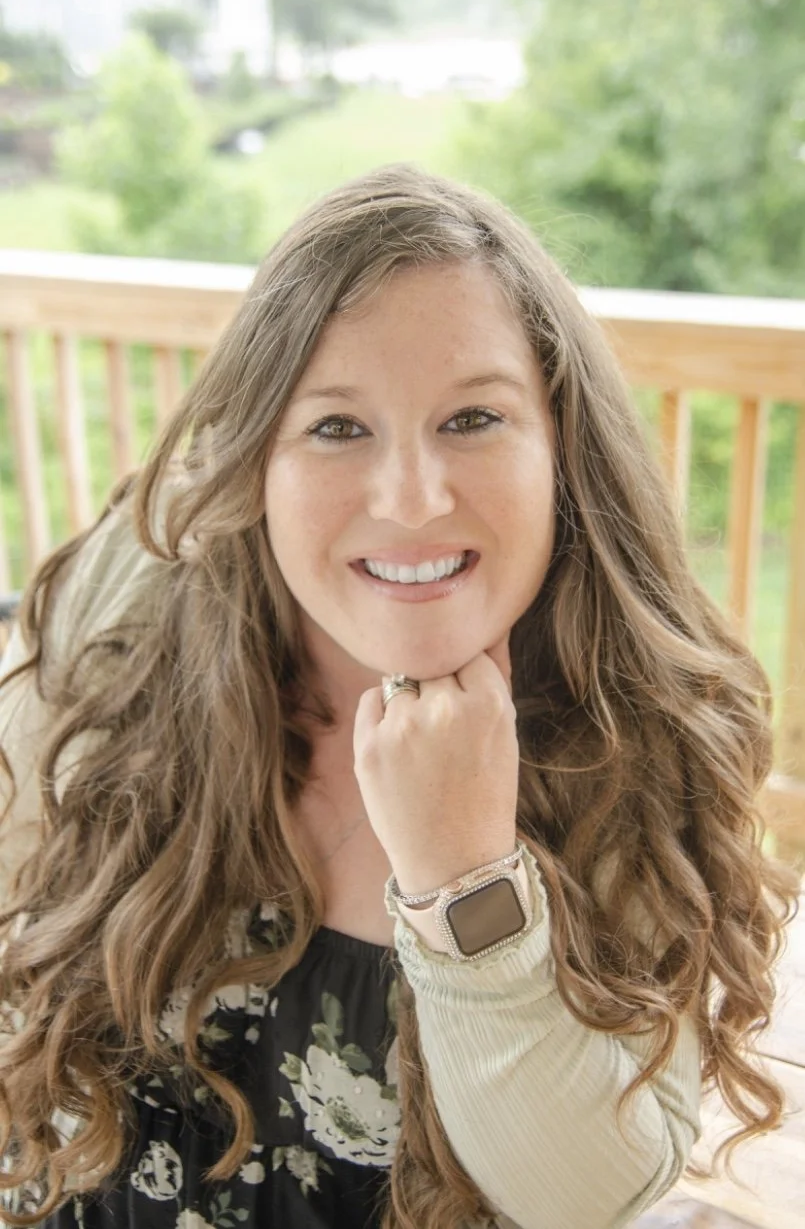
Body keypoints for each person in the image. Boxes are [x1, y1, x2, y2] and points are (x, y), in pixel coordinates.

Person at [0, 164, 799, 1229]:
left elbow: (585, 1196)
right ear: (257, 461)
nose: (412, 498)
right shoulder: (136, 610)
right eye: (336, 427)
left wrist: (465, 873)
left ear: (560, 448)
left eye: (473, 417)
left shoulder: (632, 723)